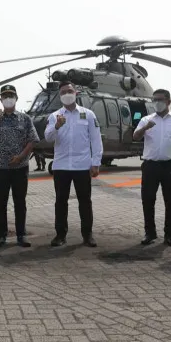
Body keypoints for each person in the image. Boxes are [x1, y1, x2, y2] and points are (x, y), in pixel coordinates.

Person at [44, 81, 102, 248]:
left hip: (82, 165)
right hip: (61, 166)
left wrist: (96, 162)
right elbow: (48, 137)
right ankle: (60, 235)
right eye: (63, 92)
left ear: (76, 92)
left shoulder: (88, 114)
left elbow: (96, 139)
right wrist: (56, 126)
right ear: (60, 96)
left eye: (69, 91)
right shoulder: (55, 116)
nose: (66, 94)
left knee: (85, 201)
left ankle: (87, 234)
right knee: (61, 201)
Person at [0, 84, 40, 248]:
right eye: (5, 96)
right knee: (1, 203)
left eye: (11, 96)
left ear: (16, 98)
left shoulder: (24, 118)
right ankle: (1, 235)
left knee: (20, 203)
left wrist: (21, 156)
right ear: (1, 99)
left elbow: (33, 140)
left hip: (19, 168)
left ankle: (21, 235)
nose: (8, 99)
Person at [132, 89, 171, 247]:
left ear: (168, 102)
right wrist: (145, 128)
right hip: (151, 165)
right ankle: (149, 233)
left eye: (160, 99)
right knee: (148, 200)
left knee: (170, 201)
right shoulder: (146, 119)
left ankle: (170, 235)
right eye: (154, 100)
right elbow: (135, 136)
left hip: (170, 165)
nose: (157, 102)